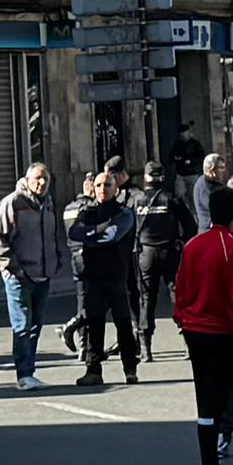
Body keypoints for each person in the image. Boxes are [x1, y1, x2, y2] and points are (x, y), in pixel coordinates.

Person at [169, 181, 233, 465]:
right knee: (214, 403)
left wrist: (182, 318)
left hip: (195, 331)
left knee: (206, 400)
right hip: (220, 333)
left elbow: (180, 287)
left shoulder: (194, 245)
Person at [0, 159, 72, 387]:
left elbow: (53, 234)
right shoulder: (13, 203)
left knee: (36, 325)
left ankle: (29, 371)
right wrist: (14, 268)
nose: (42, 182)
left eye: (45, 178)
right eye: (37, 178)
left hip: (43, 274)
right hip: (19, 276)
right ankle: (23, 374)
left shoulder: (47, 203)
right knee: (22, 325)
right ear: (27, 180)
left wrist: (56, 261)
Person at [71, 163, 148, 388]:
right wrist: (97, 232)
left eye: (107, 185)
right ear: (92, 189)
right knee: (94, 325)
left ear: (116, 189)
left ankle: (130, 368)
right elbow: (75, 232)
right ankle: (93, 370)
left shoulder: (124, 213)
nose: (102, 188)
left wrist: (93, 234)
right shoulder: (87, 212)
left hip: (117, 276)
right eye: (98, 185)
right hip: (93, 277)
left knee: (123, 324)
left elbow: (113, 236)